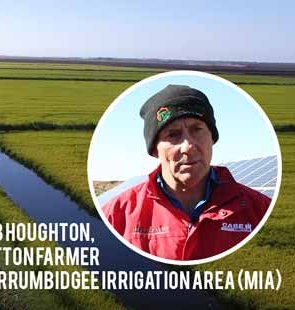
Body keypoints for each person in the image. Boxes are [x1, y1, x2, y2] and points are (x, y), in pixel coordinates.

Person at [101, 84, 271, 261]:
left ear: (212, 138)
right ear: (154, 149)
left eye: (197, 130)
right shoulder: (115, 216)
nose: (188, 147)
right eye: (173, 135)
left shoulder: (260, 210)